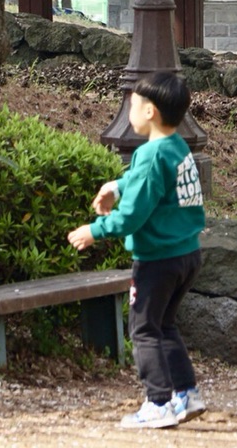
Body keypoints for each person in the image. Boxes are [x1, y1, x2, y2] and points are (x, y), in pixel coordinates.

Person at [69, 72, 208, 430]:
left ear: (150, 112)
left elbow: (132, 216)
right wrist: (115, 184)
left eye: (133, 104)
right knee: (164, 325)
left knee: (143, 330)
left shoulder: (149, 153)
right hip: (187, 255)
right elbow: (146, 181)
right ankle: (186, 394)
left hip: (157, 260)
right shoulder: (177, 146)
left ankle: (158, 402)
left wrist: (94, 230)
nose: (128, 110)